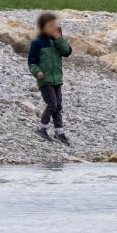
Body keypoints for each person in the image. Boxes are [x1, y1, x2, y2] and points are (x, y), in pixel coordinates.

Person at [28, 12, 73, 145]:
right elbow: (31, 62)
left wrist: (59, 38)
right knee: (52, 104)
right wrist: (37, 72)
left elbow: (67, 52)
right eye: (51, 25)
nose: (54, 27)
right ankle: (42, 129)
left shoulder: (58, 41)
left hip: (57, 79)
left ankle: (60, 132)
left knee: (58, 106)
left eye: (55, 25)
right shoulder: (37, 43)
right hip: (45, 79)